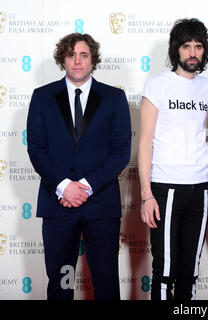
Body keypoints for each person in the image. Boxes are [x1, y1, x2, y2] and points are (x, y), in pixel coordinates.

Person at [26, 33, 132, 300]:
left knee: (106, 282)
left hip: (101, 205)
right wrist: (64, 187)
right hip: (57, 204)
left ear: (92, 59)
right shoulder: (42, 96)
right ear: (63, 59)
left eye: (83, 55)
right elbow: (36, 148)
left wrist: (84, 187)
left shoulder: (114, 97)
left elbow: (121, 152)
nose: (77, 61)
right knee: (61, 283)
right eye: (71, 55)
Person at [138, 18, 208, 300]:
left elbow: (199, 137)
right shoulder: (158, 84)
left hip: (201, 188)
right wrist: (146, 195)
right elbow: (144, 142)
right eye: (186, 46)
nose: (193, 52)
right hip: (165, 188)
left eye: (198, 46)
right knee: (165, 271)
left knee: (190, 271)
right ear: (176, 49)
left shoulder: (207, 88)